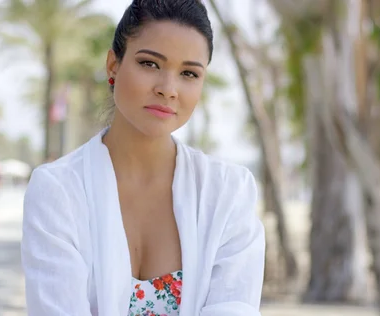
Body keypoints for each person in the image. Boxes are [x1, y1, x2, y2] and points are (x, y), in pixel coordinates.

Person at [21, 1, 266, 316]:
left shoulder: (228, 192)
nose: (168, 89)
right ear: (113, 66)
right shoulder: (58, 191)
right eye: (150, 64)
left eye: (189, 73)